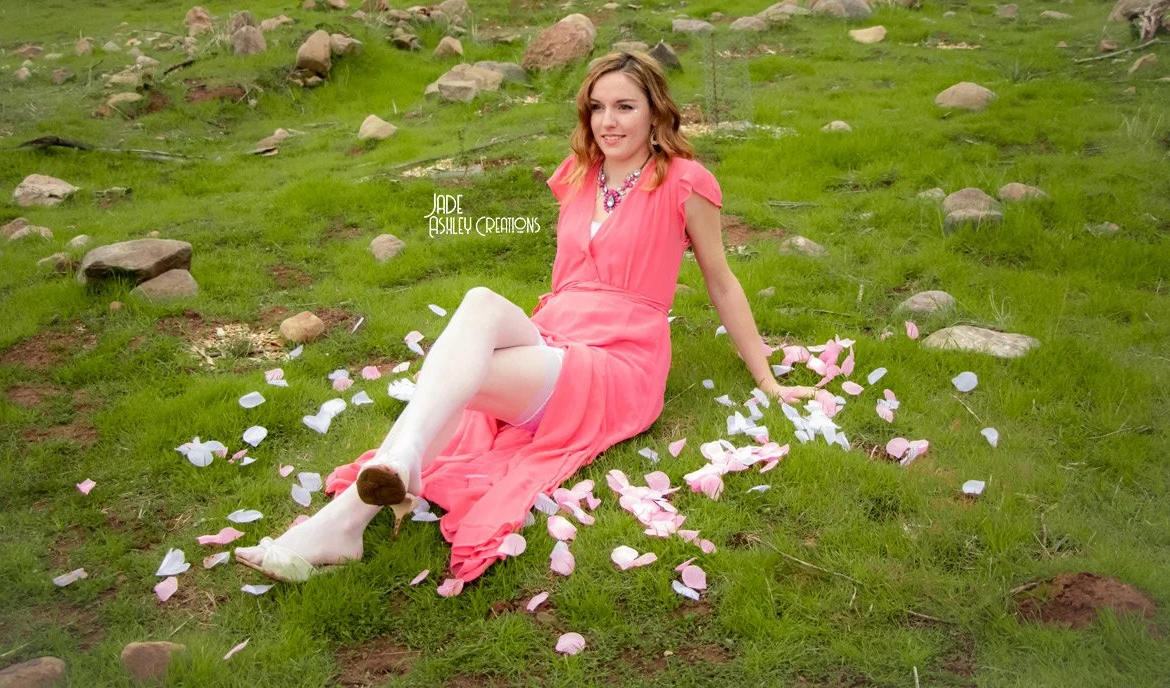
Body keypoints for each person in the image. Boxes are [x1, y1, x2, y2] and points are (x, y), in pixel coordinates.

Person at [236, 50, 813, 583]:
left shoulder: (686, 182)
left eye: (624, 107)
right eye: (596, 108)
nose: (607, 121)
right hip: (556, 334)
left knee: (453, 379)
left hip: (618, 361)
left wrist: (766, 378)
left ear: (656, 113)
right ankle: (373, 492)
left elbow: (721, 281)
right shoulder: (577, 175)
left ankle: (350, 512)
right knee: (477, 315)